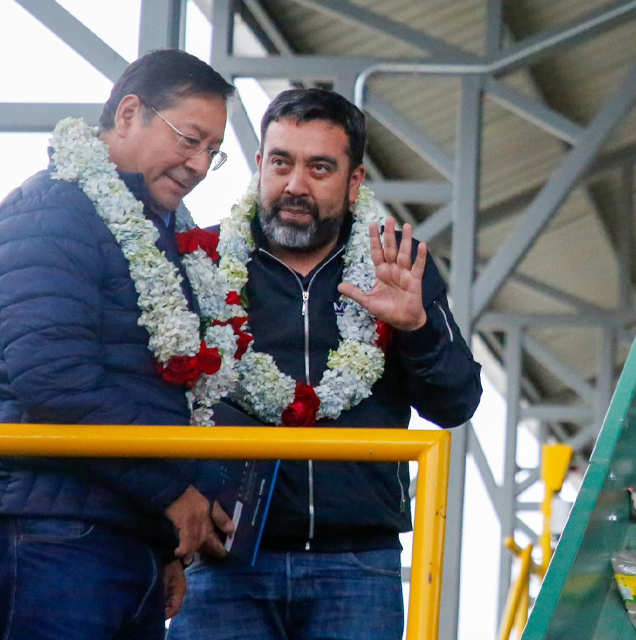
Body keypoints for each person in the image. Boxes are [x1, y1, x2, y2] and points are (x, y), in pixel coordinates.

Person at [168, 88, 482, 640]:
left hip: (358, 566)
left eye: (320, 168)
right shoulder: (202, 260)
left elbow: (456, 403)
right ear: (260, 164)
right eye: (281, 162)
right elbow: (155, 398)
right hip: (222, 562)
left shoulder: (395, 265)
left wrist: (417, 329)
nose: (295, 185)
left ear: (354, 182)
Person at [0, 50, 240, 639]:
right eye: (189, 140)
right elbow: (51, 375)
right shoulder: (52, 209)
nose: (199, 165)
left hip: (128, 537)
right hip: (50, 533)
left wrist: (164, 543)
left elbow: (161, 391)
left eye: (213, 153)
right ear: (128, 114)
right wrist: (172, 493)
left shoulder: (167, 232)